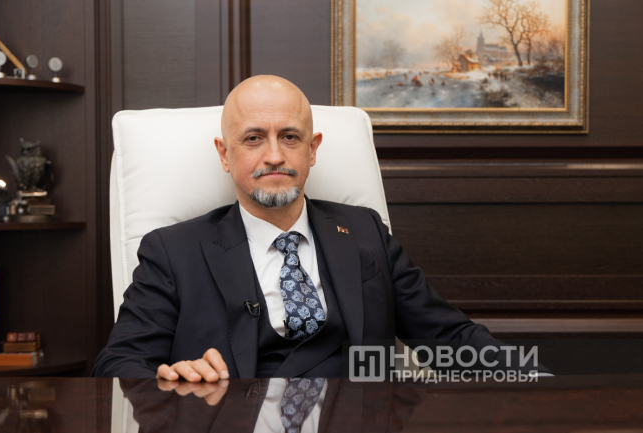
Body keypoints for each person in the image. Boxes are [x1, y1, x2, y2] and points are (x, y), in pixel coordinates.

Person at [92, 75, 550, 381]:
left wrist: (538, 382)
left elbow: (449, 338)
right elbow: (118, 363)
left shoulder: (366, 232)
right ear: (225, 154)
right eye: (253, 138)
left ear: (312, 150)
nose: (274, 155)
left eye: (290, 137)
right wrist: (168, 378)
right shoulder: (172, 251)